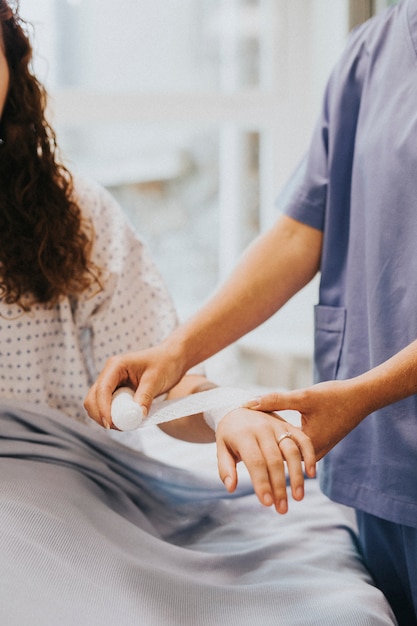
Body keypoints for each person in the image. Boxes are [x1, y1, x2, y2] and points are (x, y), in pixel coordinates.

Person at [85, 1, 417, 624]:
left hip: (372, 410)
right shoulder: (373, 51)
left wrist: (364, 393)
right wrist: (179, 349)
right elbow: (299, 236)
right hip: (378, 460)